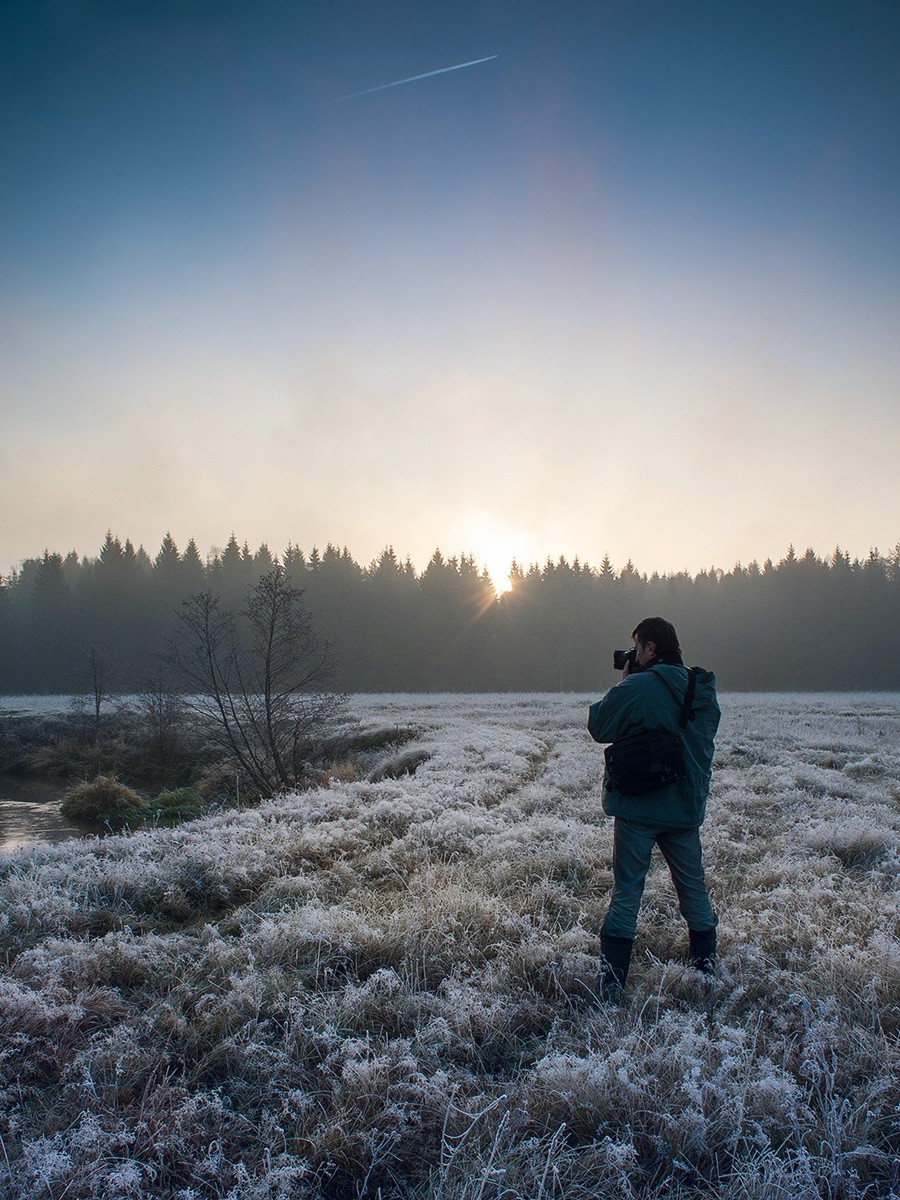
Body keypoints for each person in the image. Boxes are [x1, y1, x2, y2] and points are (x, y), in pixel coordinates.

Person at [588, 616, 720, 1001]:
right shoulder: (701, 689)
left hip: (639, 807)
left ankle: (611, 988)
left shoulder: (640, 685)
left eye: (637, 647)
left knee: (627, 893)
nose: (634, 655)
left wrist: (626, 682)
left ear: (650, 648)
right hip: (684, 809)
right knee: (693, 889)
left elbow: (599, 726)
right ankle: (705, 973)